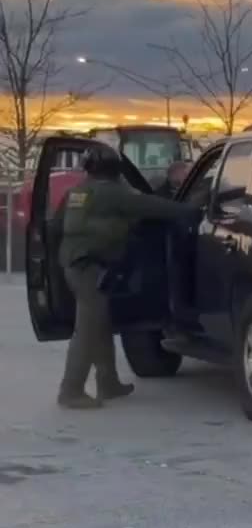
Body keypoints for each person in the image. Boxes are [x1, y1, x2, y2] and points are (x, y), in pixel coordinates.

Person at [55, 144, 195, 410]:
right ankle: (70, 390)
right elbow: (153, 206)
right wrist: (192, 211)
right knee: (87, 329)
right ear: (114, 168)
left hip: (75, 263)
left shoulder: (77, 192)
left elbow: (54, 225)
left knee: (100, 323)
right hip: (90, 267)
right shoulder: (112, 192)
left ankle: (108, 382)